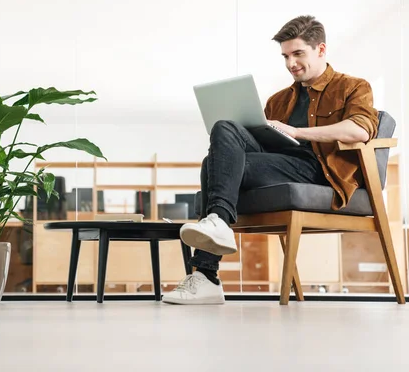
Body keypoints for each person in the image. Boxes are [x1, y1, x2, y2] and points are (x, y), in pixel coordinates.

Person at [162, 15, 379, 305]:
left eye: (298, 54)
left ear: (321, 50)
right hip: (278, 165)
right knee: (223, 131)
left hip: (318, 170)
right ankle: (217, 227)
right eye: (286, 56)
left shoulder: (352, 86)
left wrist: (297, 132)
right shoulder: (279, 99)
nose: (291, 64)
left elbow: (361, 129)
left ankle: (206, 274)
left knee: (215, 164)